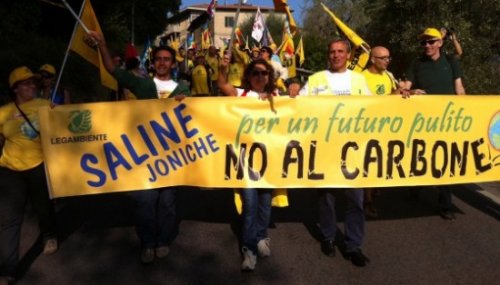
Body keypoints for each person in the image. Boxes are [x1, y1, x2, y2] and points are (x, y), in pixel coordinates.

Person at [87, 30, 189, 264]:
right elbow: (114, 71)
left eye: (167, 59)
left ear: (173, 64)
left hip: (173, 157)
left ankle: (163, 241)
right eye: (158, 59)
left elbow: (197, 116)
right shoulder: (142, 85)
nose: (162, 62)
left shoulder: (182, 89)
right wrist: (102, 44)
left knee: (167, 204)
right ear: (153, 63)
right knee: (145, 203)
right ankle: (147, 242)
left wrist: (188, 103)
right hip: (144, 157)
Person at [292, 39, 371, 267]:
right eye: (332, 52)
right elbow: (298, 106)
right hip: (324, 148)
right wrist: (294, 91)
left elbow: (376, 108)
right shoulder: (316, 79)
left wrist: (402, 94)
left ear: (348, 55)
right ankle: (327, 237)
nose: (336, 55)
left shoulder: (359, 80)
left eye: (340, 51)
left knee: (355, 200)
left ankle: (353, 245)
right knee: (326, 198)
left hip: (352, 149)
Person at [218, 57, 288, 271]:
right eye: (255, 73)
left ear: (269, 77)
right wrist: (222, 70)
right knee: (250, 205)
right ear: (248, 76)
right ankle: (249, 248)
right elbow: (223, 85)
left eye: (264, 73)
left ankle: (261, 237)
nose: (260, 77)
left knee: (265, 204)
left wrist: (293, 88)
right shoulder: (242, 95)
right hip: (246, 163)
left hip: (270, 162)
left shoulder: (278, 97)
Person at [0, 67, 58, 284]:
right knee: (9, 219)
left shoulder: (44, 105)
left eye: (33, 83)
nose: (32, 86)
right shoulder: (3, 112)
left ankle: (49, 235)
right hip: (9, 170)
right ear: (15, 89)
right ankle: (7, 270)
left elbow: (65, 123)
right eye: (26, 84)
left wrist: (58, 113)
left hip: (39, 166)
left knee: (43, 207)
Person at [401, 27, 466, 220]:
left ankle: (445, 204)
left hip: (447, 121)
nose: (426, 45)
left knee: (445, 159)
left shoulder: (451, 61)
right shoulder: (417, 63)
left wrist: (468, 112)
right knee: (421, 154)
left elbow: (459, 89)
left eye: (430, 42)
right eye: (423, 42)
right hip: (422, 121)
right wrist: (409, 91)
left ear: (440, 43)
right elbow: (406, 87)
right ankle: (416, 185)